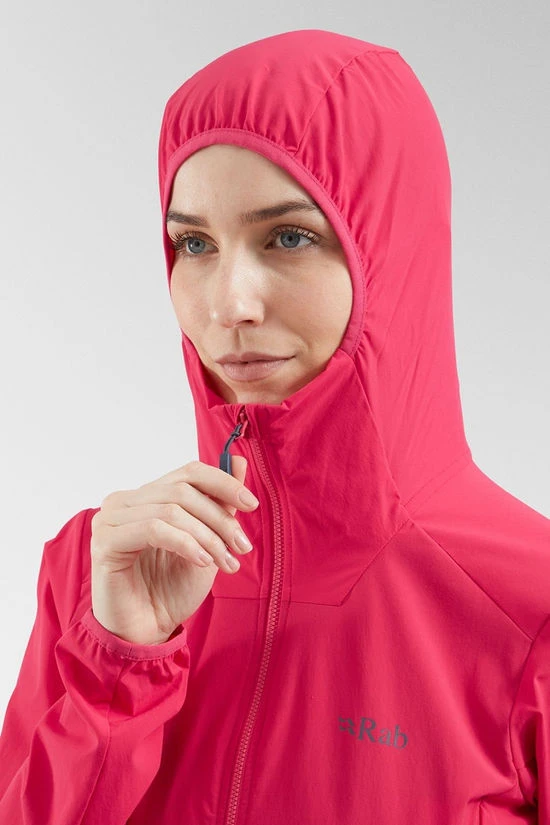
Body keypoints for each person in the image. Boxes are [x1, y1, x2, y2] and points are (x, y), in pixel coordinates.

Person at [0, 27, 549, 825]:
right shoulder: (98, 574)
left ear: (390, 248)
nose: (230, 303)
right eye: (194, 243)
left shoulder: (528, 612)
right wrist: (118, 671)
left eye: (289, 236)